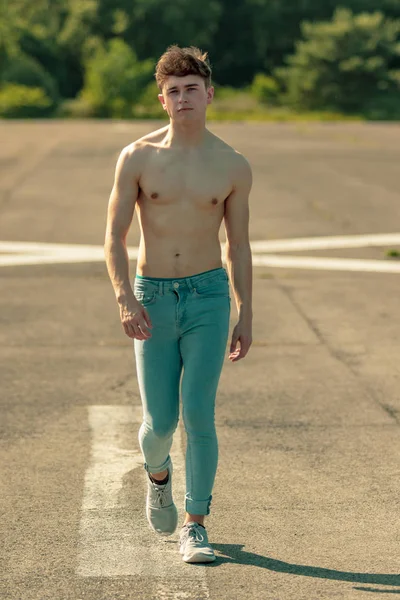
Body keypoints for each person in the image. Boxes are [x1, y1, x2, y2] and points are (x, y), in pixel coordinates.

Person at [104, 45, 253, 564]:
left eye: (192, 88)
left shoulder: (232, 164)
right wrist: (126, 299)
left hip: (209, 296)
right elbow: (115, 236)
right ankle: (158, 476)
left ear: (209, 95)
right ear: (162, 100)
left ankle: (196, 524)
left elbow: (237, 244)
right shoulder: (139, 157)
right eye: (173, 91)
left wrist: (245, 310)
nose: (183, 97)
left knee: (200, 416)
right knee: (159, 424)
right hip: (153, 297)